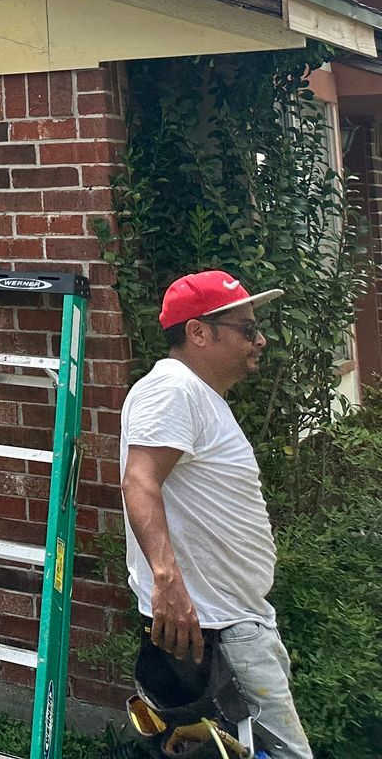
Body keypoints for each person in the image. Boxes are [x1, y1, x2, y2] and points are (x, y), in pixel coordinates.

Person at [120, 268, 312, 759]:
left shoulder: (198, 396)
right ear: (198, 331)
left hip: (229, 622)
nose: (261, 340)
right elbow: (140, 482)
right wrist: (168, 583)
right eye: (247, 329)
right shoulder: (172, 390)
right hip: (215, 628)